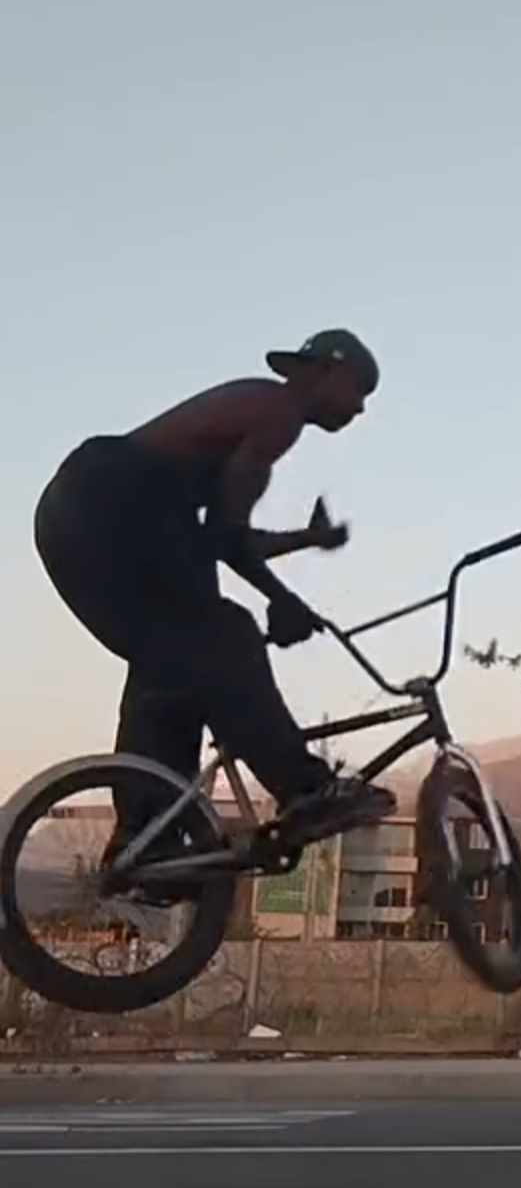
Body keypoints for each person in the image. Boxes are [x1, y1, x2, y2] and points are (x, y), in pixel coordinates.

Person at [34, 329, 396, 874]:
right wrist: (283, 599)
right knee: (225, 634)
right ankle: (303, 790)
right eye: (359, 389)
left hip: (75, 518)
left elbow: (223, 536)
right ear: (323, 371)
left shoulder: (255, 416)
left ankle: (146, 836)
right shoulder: (278, 408)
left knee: (174, 664)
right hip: (117, 497)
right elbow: (226, 537)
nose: (362, 407)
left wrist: (304, 542)